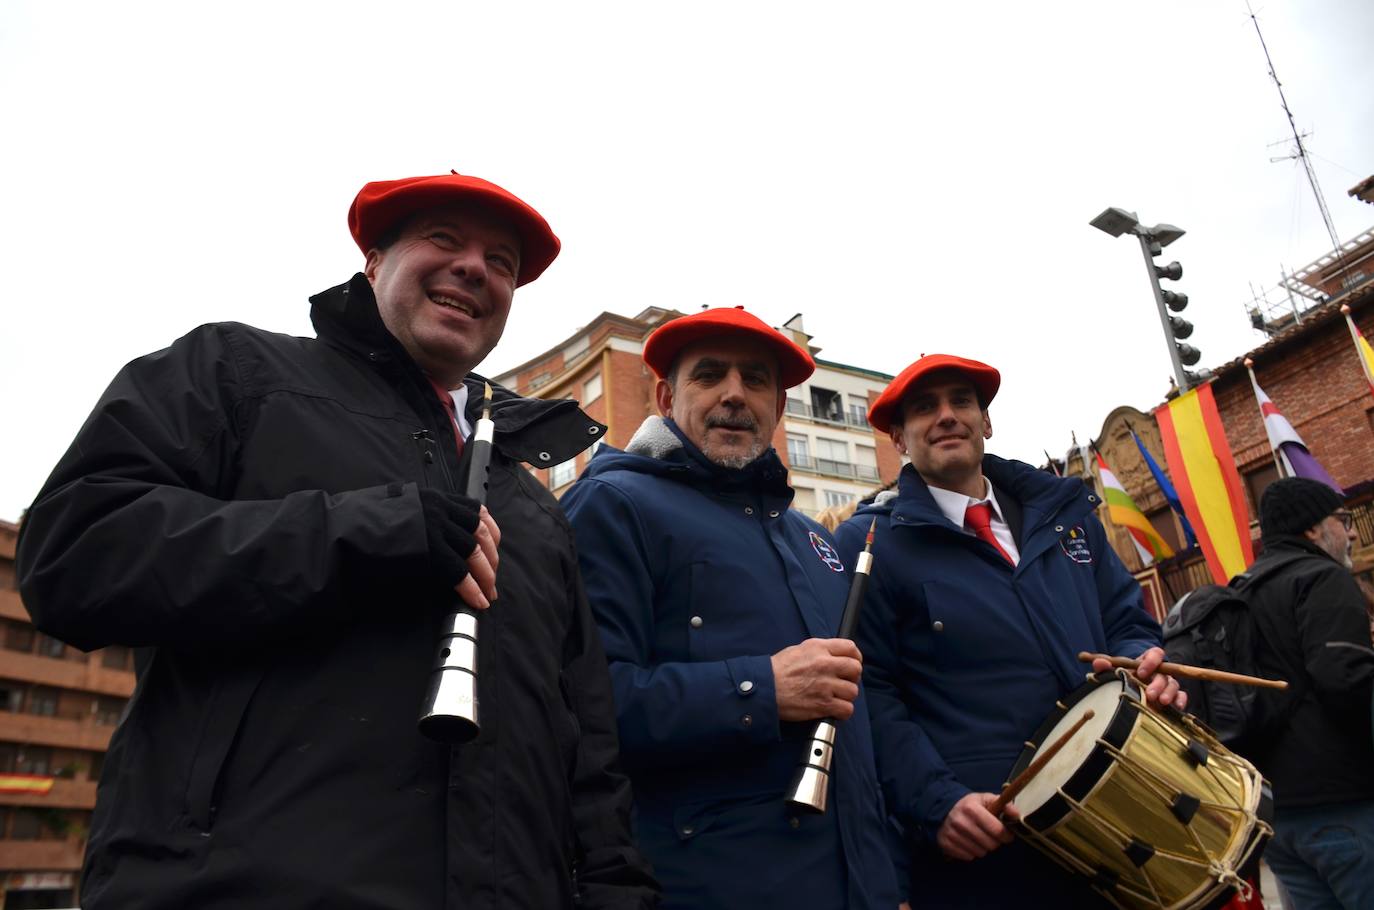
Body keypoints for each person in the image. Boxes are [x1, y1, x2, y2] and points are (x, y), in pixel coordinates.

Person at [16, 173, 658, 908]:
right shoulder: (235, 374)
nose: (475, 267)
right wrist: (368, 533)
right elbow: (73, 551)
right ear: (374, 263)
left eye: (501, 262)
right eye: (442, 239)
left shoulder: (536, 510)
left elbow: (590, 741)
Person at [560, 308, 899, 909]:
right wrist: (761, 689)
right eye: (710, 375)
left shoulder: (813, 541)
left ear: (780, 406)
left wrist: (886, 878)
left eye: (757, 380)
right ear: (666, 395)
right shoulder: (612, 505)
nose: (735, 395)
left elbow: (861, 733)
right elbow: (581, 708)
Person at [832, 354, 1180, 909]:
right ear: (898, 437)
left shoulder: (1065, 514)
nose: (946, 416)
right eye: (924, 408)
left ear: (985, 422)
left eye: (961, 402)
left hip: (1117, 811)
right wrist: (936, 802)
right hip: (991, 848)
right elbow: (869, 693)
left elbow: (1125, 619)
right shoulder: (869, 545)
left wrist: (1142, 661)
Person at [1242, 477, 1374, 908]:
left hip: (1277, 816)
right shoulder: (1322, 577)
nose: (1351, 531)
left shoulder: (1239, 591)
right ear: (1313, 530)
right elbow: (1346, 678)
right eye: (1342, 519)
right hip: (1345, 804)